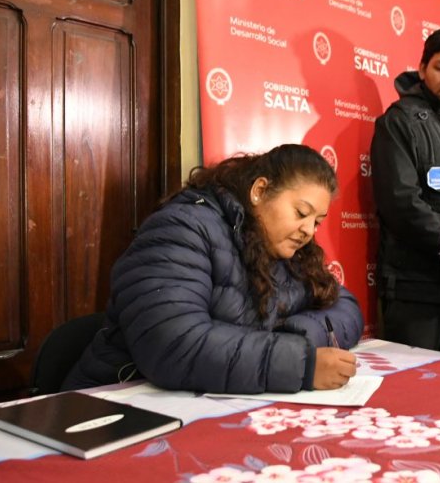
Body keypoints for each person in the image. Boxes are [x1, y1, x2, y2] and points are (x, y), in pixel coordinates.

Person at [63, 144, 364, 393]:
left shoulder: (290, 248)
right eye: (301, 213)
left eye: (317, 222)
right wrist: (301, 364)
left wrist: (295, 336)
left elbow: (345, 306)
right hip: (113, 405)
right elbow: (173, 345)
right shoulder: (182, 228)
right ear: (259, 191)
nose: (308, 230)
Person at [370, 27, 440, 353]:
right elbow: (401, 204)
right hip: (416, 288)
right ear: (422, 69)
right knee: (412, 390)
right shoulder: (398, 122)